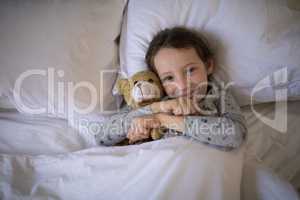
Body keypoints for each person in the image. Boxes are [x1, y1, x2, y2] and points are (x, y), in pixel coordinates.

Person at [95, 26, 247, 150]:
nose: (182, 85)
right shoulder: (153, 102)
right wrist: (154, 110)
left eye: (190, 70)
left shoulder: (217, 96)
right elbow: (102, 137)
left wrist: (163, 120)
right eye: (169, 78)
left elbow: (236, 135)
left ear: (208, 66)